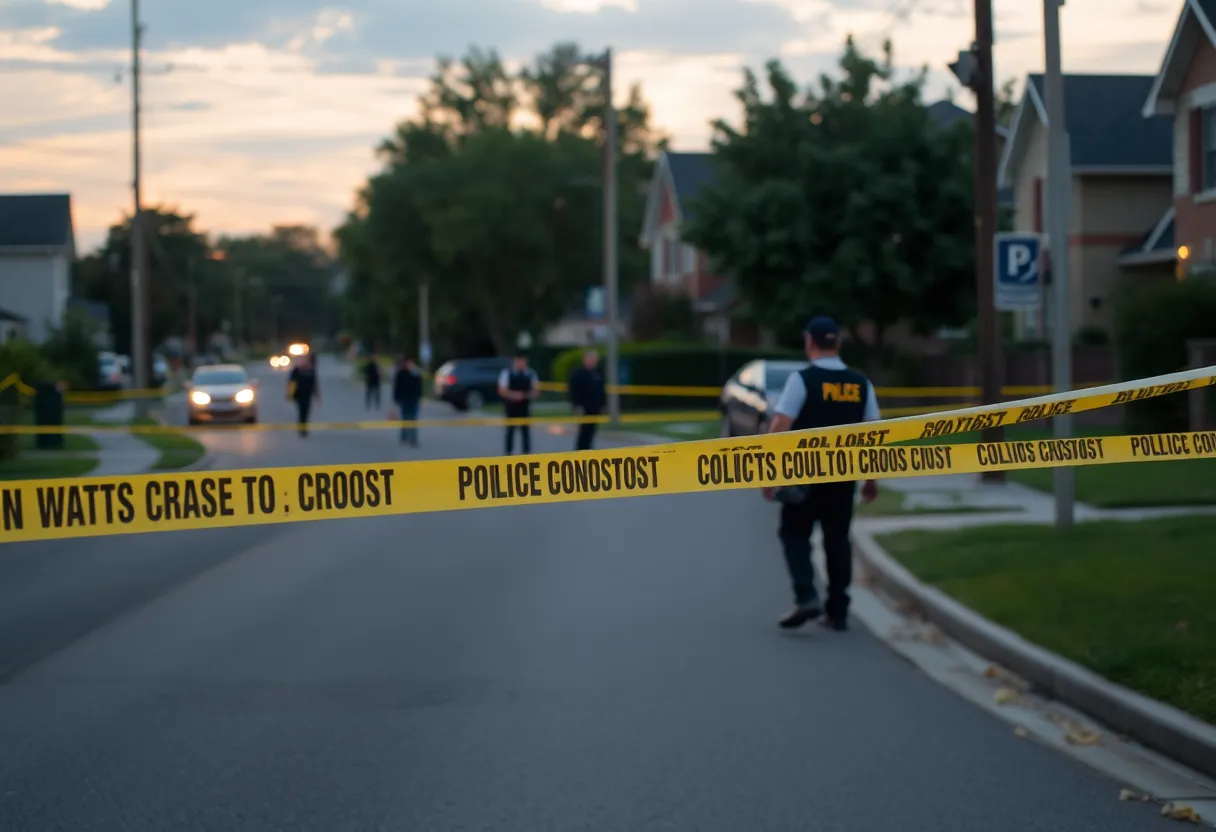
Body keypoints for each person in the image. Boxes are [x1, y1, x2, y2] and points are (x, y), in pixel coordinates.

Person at [763, 316, 880, 633]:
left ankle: (806, 596)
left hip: (804, 476)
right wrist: (871, 480)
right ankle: (838, 612)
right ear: (838, 343)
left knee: (794, 534)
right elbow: (873, 435)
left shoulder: (803, 380)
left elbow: (779, 426)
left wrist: (770, 472)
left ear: (810, 342)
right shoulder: (861, 383)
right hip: (844, 477)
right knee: (837, 541)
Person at [497, 352, 539, 455]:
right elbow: (502, 390)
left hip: (525, 406)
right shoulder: (506, 373)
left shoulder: (530, 373)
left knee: (525, 432)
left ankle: (526, 455)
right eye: (519, 361)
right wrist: (514, 395)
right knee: (510, 432)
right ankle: (508, 454)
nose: (521, 363)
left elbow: (536, 390)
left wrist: (527, 395)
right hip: (511, 407)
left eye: (523, 361)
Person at [568, 349, 606, 451]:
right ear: (585, 359)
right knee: (583, 433)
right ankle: (580, 453)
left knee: (591, 432)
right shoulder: (577, 374)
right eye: (592, 359)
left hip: (595, 408)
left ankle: (589, 453)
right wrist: (576, 406)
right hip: (583, 408)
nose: (594, 362)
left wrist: (603, 405)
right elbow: (573, 392)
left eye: (595, 359)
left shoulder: (598, 374)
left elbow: (601, 391)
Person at [287, 353, 320, 437]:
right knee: (302, 411)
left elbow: (314, 385)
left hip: (307, 395)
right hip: (298, 395)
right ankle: (302, 428)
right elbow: (291, 382)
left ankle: (303, 428)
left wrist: (317, 396)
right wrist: (289, 394)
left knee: (306, 411)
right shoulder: (297, 370)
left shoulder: (311, 371)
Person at [392, 355, 423, 446]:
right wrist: (396, 400)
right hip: (404, 400)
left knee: (413, 420)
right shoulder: (401, 374)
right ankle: (404, 436)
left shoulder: (415, 374)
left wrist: (419, 398)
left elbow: (419, 386)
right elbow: (397, 387)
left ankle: (413, 438)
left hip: (413, 400)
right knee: (405, 419)